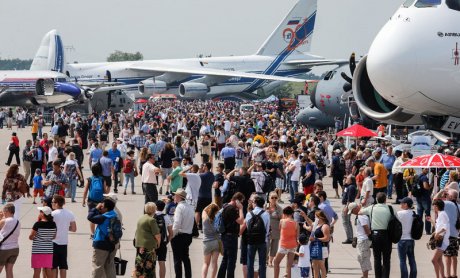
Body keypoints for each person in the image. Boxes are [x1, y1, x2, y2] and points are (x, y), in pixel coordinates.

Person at [359, 192, 393, 278]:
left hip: (375, 235)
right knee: (386, 259)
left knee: (377, 258)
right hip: (387, 235)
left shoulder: (372, 208)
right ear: (385, 200)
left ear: (376, 200)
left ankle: (378, 276)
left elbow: (360, 212)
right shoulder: (390, 208)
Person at [87, 198, 119, 278]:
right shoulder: (115, 215)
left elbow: (90, 217)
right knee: (110, 266)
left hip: (101, 244)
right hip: (112, 244)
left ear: (106, 208)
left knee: (97, 266)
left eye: (102, 206)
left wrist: (96, 208)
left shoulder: (104, 217)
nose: (101, 207)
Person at [217, 192, 245, 278]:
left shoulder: (225, 206)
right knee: (231, 260)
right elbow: (241, 221)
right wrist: (241, 209)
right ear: (237, 201)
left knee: (225, 259)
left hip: (226, 236)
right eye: (241, 202)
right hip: (230, 237)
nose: (241, 204)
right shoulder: (231, 209)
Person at [243, 195, 269, 278]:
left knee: (250, 262)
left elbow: (247, 227)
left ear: (255, 203)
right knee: (262, 263)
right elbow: (267, 229)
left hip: (251, 241)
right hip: (262, 240)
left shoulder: (249, 214)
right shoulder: (266, 214)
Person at [51, 194, 77, 278]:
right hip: (64, 243)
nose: (51, 204)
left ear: (57, 203)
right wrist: (65, 227)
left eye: (53, 202)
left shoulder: (52, 214)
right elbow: (74, 229)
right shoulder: (70, 213)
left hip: (53, 242)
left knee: (54, 266)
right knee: (63, 266)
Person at [171, 188, 194, 278]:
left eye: (175, 195)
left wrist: (172, 235)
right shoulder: (190, 206)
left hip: (179, 236)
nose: (173, 197)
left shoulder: (179, 207)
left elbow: (177, 223)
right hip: (188, 235)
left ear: (179, 197)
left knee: (177, 259)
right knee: (185, 258)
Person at [134, 202, 161, 278]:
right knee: (149, 269)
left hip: (140, 247)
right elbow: (157, 235)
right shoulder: (151, 220)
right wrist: (158, 244)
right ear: (153, 210)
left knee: (140, 268)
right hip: (149, 248)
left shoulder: (141, 218)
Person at [82, 164, 109, 237]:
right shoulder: (102, 179)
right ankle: (99, 233)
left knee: (92, 217)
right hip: (100, 202)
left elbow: (85, 191)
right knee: (100, 217)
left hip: (91, 201)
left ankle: (92, 234)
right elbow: (105, 192)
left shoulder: (89, 179)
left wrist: (83, 200)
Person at [29, 206, 57, 278]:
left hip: (37, 250)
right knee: (48, 269)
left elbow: (31, 236)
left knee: (37, 271)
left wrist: (35, 237)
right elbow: (54, 236)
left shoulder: (37, 224)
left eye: (40, 212)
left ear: (43, 214)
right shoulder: (53, 224)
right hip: (48, 250)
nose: (39, 213)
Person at [273, 206, 298, 278]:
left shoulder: (282, 221)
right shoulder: (296, 223)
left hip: (284, 245)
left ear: (284, 214)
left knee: (276, 262)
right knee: (289, 265)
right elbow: (297, 236)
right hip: (293, 245)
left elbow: (280, 229)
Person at [348, 202, 372, 278]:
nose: (352, 213)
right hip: (361, 239)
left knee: (363, 258)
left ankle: (365, 276)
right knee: (361, 257)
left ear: (355, 208)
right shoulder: (361, 213)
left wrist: (369, 236)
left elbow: (366, 227)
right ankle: (364, 275)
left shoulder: (361, 215)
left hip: (363, 240)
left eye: (352, 211)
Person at [396, 197, 417, 278]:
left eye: (402, 203)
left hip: (402, 239)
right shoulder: (413, 213)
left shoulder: (399, 213)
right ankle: (413, 276)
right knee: (412, 260)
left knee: (402, 261)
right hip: (411, 239)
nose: (401, 204)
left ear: (406, 205)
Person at [308, 210, 331, 278]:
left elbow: (327, 238)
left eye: (316, 217)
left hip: (322, 247)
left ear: (320, 217)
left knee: (321, 265)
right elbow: (310, 223)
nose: (315, 218)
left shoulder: (325, 226)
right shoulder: (317, 225)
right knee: (314, 265)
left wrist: (316, 239)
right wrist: (304, 216)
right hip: (315, 247)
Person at [0, 203, 20, 278]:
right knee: (9, 270)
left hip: (4, 249)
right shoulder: (18, 222)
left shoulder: (4, 221)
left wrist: (0, 218)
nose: (3, 213)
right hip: (15, 248)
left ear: (8, 211)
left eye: (4, 211)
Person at [202, 203, 221, 278]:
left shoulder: (205, 219)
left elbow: (204, 210)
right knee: (214, 263)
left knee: (206, 263)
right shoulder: (218, 219)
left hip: (207, 242)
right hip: (216, 242)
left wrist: (210, 204)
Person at [432, 199, 450, 278]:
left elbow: (444, 227)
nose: (433, 207)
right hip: (441, 240)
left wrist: (437, 234)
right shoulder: (441, 213)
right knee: (439, 260)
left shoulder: (442, 214)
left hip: (442, 241)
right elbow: (439, 227)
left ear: (437, 206)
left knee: (434, 260)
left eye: (434, 205)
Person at [154, 200, 173, 278]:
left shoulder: (152, 216)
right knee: (162, 262)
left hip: (153, 243)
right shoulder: (166, 217)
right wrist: (166, 241)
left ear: (155, 207)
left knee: (152, 263)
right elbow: (171, 233)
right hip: (162, 242)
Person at [196, 162, 214, 230]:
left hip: (201, 196)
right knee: (206, 212)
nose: (202, 167)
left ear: (206, 167)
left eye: (203, 166)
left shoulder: (201, 175)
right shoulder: (212, 175)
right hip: (209, 196)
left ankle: (196, 226)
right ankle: (204, 226)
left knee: (197, 211)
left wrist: (200, 171)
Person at [266, 191, 282, 267]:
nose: (274, 199)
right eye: (272, 197)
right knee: (266, 245)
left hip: (276, 229)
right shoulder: (265, 206)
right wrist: (266, 212)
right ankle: (265, 259)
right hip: (266, 229)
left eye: (276, 197)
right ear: (269, 199)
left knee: (274, 247)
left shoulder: (279, 208)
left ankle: (270, 261)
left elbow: (281, 219)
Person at [415, 168, 433, 235]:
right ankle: (428, 231)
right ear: (422, 169)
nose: (427, 170)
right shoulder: (424, 177)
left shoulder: (418, 176)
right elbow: (426, 187)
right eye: (426, 169)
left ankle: (418, 230)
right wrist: (430, 186)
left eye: (428, 169)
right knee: (427, 214)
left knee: (419, 215)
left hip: (418, 197)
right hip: (425, 198)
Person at [342, 174, 357, 244]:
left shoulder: (351, 187)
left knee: (345, 222)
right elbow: (344, 189)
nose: (346, 179)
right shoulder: (349, 186)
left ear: (351, 180)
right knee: (348, 221)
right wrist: (344, 182)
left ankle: (349, 238)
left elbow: (349, 199)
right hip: (347, 205)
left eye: (347, 178)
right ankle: (350, 237)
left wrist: (346, 208)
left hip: (347, 206)